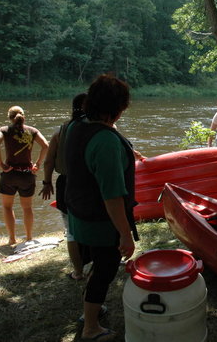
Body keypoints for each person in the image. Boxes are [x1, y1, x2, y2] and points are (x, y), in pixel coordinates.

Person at [64, 74, 139, 341]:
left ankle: (90, 311)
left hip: (78, 213)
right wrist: (125, 234)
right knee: (105, 270)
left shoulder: (77, 126)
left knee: (97, 264)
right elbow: (112, 196)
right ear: (118, 108)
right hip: (100, 220)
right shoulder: (106, 142)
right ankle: (91, 328)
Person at [39, 93, 88, 281]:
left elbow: (48, 161)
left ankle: (78, 271)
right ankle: (98, 262)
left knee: (71, 230)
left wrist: (47, 182)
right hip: (87, 184)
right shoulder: (95, 128)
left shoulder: (60, 131)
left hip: (65, 183)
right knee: (93, 223)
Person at [0, 106, 49, 245]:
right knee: (27, 207)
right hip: (27, 175)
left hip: (9, 174)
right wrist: (38, 164)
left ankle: (12, 239)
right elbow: (46, 145)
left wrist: (1, 164)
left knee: (7, 207)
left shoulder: (4, 130)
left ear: (9, 117)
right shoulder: (33, 131)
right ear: (24, 116)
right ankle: (29, 238)